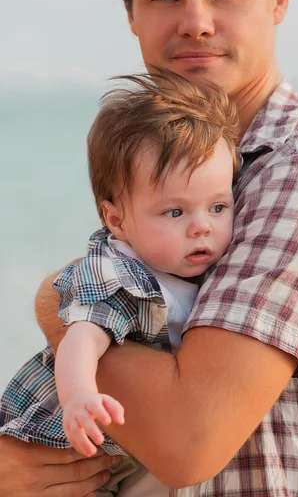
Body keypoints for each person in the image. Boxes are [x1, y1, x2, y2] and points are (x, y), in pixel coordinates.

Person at [0, 0, 298, 495]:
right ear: (131, 13)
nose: (196, 22)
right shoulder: (174, 170)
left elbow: (191, 442)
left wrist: (56, 304)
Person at [0, 71, 241, 495]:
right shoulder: (120, 274)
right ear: (117, 220)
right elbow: (82, 336)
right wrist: (78, 396)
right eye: (174, 213)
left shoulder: (198, 270)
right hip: (53, 438)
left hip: (113, 455)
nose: (202, 227)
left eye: (218, 206)